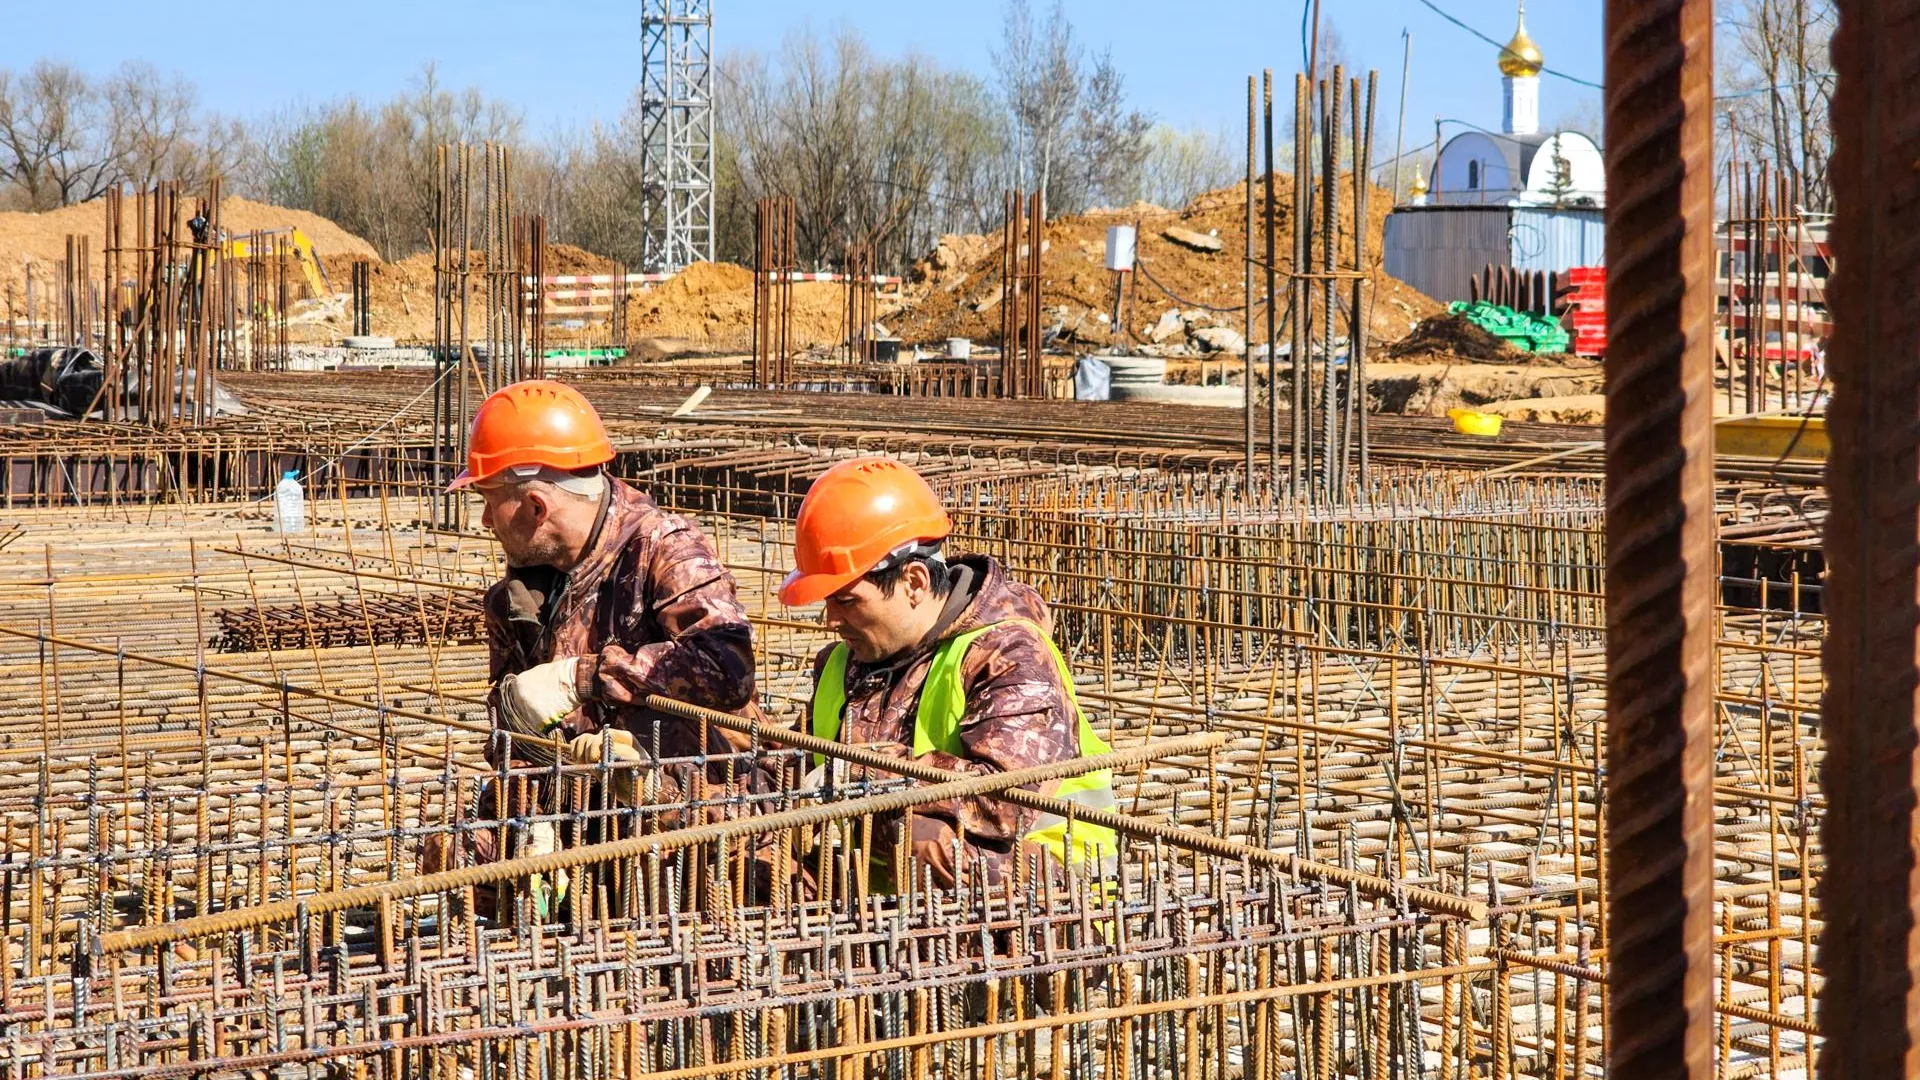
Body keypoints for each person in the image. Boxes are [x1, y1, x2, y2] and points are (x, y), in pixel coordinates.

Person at [423, 380, 763, 907]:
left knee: (673, 876)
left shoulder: (662, 547)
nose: (485, 520)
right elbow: (510, 727)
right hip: (571, 803)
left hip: (682, 807)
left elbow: (728, 665)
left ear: (536, 506)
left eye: (489, 502)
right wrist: (528, 818)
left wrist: (580, 678)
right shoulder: (518, 595)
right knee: (454, 859)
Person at [781, 456, 1117, 891]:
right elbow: (791, 763)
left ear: (915, 582)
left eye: (846, 600)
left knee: (928, 844)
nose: (830, 619)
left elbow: (1001, 803)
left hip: (1054, 892)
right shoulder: (844, 661)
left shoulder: (1009, 654)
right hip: (886, 897)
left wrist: (858, 778)